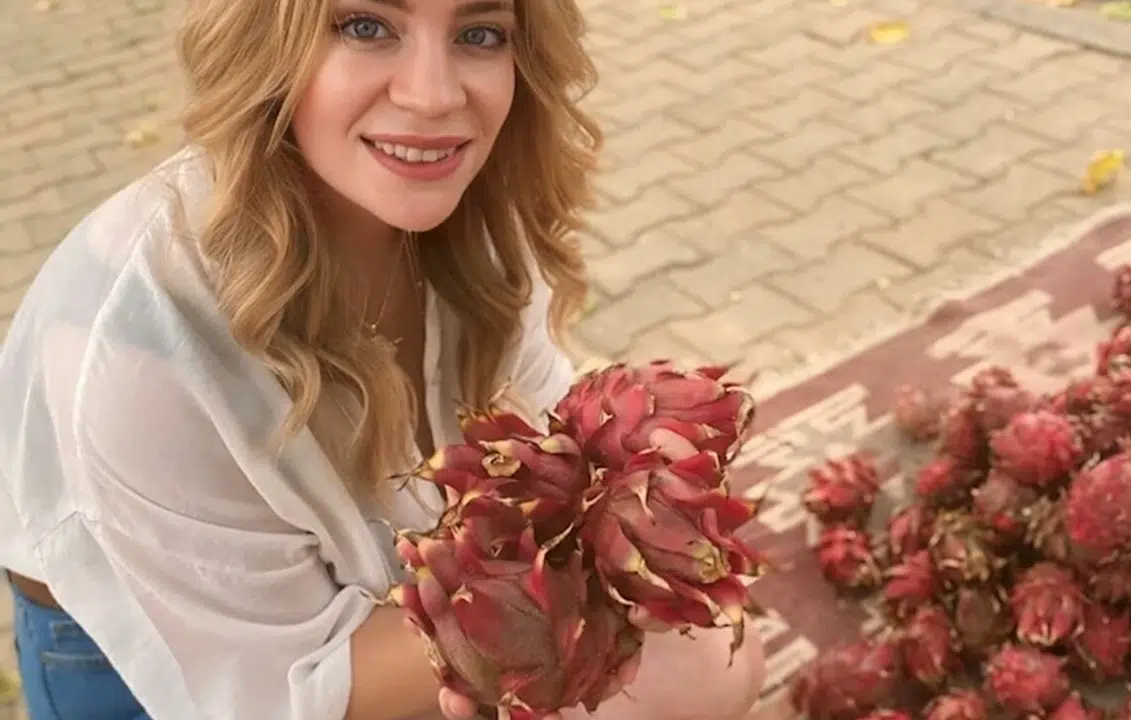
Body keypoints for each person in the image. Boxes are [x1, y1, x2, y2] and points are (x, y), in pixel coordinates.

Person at [0, 0, 767, 718]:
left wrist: (629, 508)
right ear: (269, 40)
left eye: (479, 33)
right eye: (366, 26)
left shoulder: (477, 216)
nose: (434, 97)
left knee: (707, 665)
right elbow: (280, 690)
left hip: (392, 587)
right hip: (156, 652)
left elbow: (541, 432)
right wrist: (582, 583)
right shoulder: (143, 349)